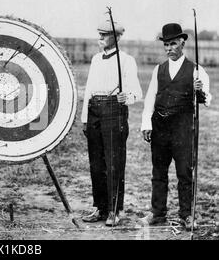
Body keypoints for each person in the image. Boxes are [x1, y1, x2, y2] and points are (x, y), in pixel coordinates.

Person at [141, 23, 212, 230]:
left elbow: (206, 100)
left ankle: (186, 215)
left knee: (184, 172)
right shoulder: (158, 69)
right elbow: (150, 98)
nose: (168, 49)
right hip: (160, 126)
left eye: (172, 44)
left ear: (182, 43)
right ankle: (157, 212)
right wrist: (147, 123)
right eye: (166, 45)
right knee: (158, 172)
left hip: (183, 127)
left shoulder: (197, 70)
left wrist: (198, 90)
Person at [81, 20, 142, 226]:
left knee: (114, 162)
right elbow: (89, 89)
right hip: (93, 111)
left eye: (104, 35)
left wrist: (128, 97)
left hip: (113, 111)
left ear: (116, 37)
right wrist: (84, 118)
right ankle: (100, 207)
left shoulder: (126, 60)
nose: (100, 38)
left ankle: (114, 210)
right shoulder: (96, 59)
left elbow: (137, 92)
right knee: (96, 163)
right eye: (99, 34)